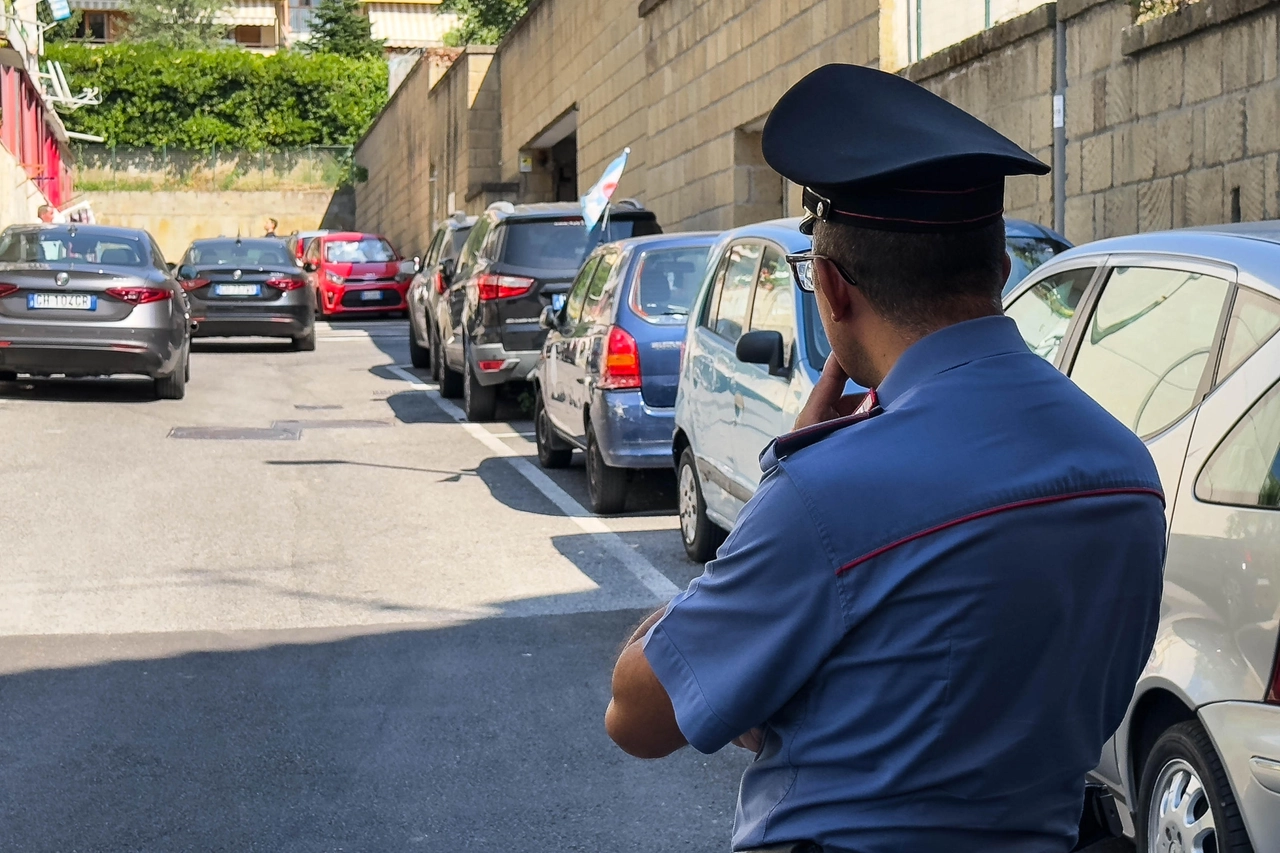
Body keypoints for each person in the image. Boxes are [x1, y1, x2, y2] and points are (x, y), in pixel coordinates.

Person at [605, 64, 1166, 853]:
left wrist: (780, 504)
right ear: (1001, 273)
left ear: (830, 289)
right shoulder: (1127, 471)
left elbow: (637, 714)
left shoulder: (824, 496)